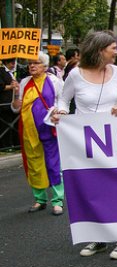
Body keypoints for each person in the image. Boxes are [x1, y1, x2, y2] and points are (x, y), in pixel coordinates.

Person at [52, 30, 117, 260]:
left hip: (114, 140)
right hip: (85, 144)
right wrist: (60, 111)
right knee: (93, 189)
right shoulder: (76, 75)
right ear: (100, 51)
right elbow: (63, 99)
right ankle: (98, 237)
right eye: (113, 48)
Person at [10, 52, 64, 215]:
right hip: (29, 132)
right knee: (34, 164)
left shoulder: (55, 81)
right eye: (30, 63)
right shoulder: (24, 82)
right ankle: (40, 199)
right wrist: (15, 100)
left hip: (49, 129)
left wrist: (59, 112)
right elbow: (16, 108)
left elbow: (63, 102)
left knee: (53, 164)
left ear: (45, 66)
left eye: (36, 63)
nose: (32, 66)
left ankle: (57, 200)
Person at [1, 59, 20, 150]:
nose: (13, 65)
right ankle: (6, 145)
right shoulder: (1, 72)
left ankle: (16, 143)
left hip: (14, 102)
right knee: (5, 125)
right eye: (12, 63)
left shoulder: (14, 72)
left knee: (15, 124)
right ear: (6, 62)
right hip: (5, 103)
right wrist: (11, 86)